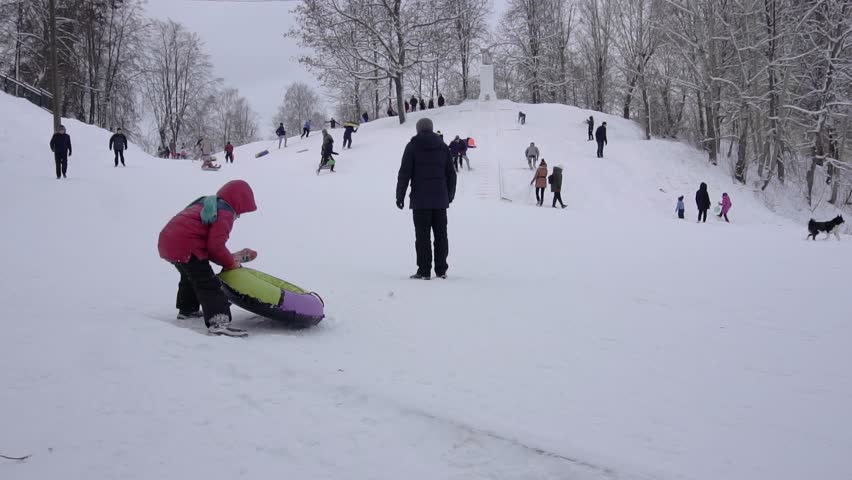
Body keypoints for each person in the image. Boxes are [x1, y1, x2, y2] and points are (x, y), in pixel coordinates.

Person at [157, 180, 257, 337]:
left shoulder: (208, 204)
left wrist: (228, 258)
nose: (239, 215)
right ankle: (218, 321)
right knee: (208, 283)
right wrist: (230, 263)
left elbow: (211, 249)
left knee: (190, 277)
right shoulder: (225, 213)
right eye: (241, 211)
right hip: (187, 245)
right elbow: (215, 247)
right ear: (238, 202)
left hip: (168, 242)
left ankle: (187, 309)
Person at [396, 118, 457, 280]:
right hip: (440, 200)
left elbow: (404, 174)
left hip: (420, 200)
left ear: (418, 130)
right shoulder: (443, 147)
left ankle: (424, 270)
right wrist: (449, 195)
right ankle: (441, 270)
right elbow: (451, 174)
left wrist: (399, 196)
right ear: (431, 129)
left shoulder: (412, 147)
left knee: (422, 237)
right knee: (441, 235)